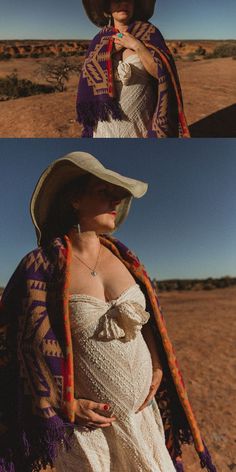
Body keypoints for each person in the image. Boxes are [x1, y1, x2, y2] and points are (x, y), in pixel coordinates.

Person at [0, 152, 216, 472]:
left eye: (117, 194)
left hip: (143, 417)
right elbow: (16, 343)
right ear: (74, 198)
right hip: (88, 431)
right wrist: (65, 403)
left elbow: (146, 324)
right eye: (104, 192)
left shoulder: (126, 258)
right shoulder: (40, 267)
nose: (116, 199)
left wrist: (156, 363)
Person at [76, 0, 190, 138]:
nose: (123, 4)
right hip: (105, 127)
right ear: (108, 7)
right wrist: (108, 53)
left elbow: (162, 73)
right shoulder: (99, 40)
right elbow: (87, 77)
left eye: (129, 0)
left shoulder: (149, 33)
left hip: (141, 124)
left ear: (135, 5)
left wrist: (137, 46)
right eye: (117, 1)